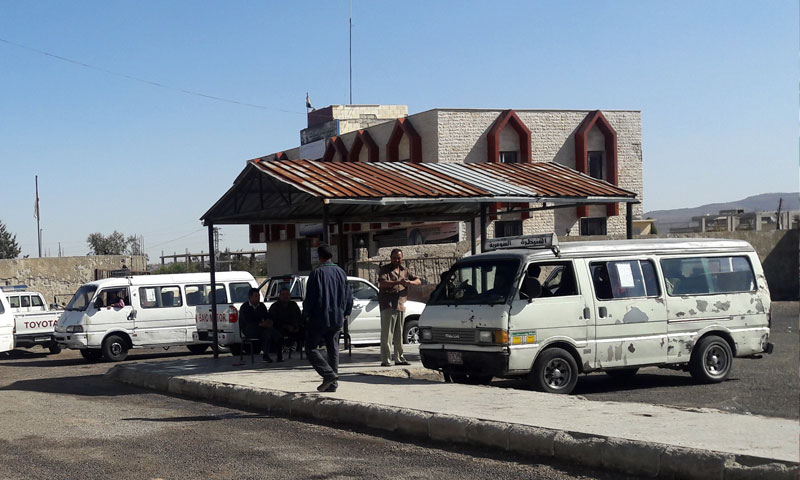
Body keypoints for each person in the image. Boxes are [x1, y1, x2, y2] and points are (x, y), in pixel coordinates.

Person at [302, 245, 352, 392]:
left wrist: (306, 315)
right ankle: (333, 384)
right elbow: (348, 295)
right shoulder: (341, 272)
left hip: (319, 318)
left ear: (320, 257)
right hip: (337, 317)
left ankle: (328, 374)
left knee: (310, 348)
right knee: (333, 349)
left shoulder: (316, 273)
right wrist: (346, 312)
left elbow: (310, 298)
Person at [378, 248, 420, 367]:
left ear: (402, 258)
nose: (396, 260)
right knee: (387, 334)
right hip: (388, 304)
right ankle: (386, 359)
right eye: (394, 258)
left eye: (399, 258)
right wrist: (397, 282)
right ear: (390, 258)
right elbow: (383, 283)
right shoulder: (385, 269)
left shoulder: (404, 270)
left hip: (401, 304)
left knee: (399, 333)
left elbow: (418, 280)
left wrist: (409, 283)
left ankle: (399, 358)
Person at [238, 288, 276, 362]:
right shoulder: (244, 307)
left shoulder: (261, 306)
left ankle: (267, 354)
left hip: (261, 328)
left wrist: (268, 322)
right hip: (248, 329)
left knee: (268, 332)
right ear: (250, 297)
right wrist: (260, 324)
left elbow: (266, 316)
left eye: (258, 296)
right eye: (256, 296)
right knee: (265, 332)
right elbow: (247, 321)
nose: (258, 298)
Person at [269, 287, 302, 361]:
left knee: (307, 331)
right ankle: (279, 355)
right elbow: (274, 320)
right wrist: (286, 326)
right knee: (276, 333)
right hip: (280, 328)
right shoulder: (275, 306)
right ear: (279, 296)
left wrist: (296, 326)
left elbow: (299, 317)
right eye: (283, 294)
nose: (285, 296)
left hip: (294, 328)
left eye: (287, 294)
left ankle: (309, 353)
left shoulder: (293, 305)